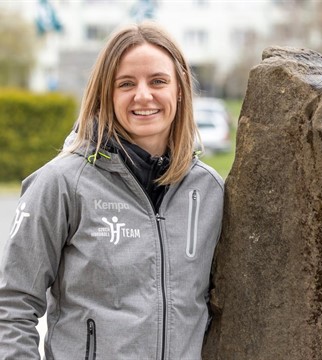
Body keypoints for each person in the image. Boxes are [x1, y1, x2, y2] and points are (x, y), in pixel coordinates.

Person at [0, 22, 224, 359]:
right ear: (107, 93)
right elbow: (12, 305)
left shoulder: (208, 190)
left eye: (158, 81)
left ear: (179, 89)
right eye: (126, 84)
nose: (144, 95)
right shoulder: (62, 184)